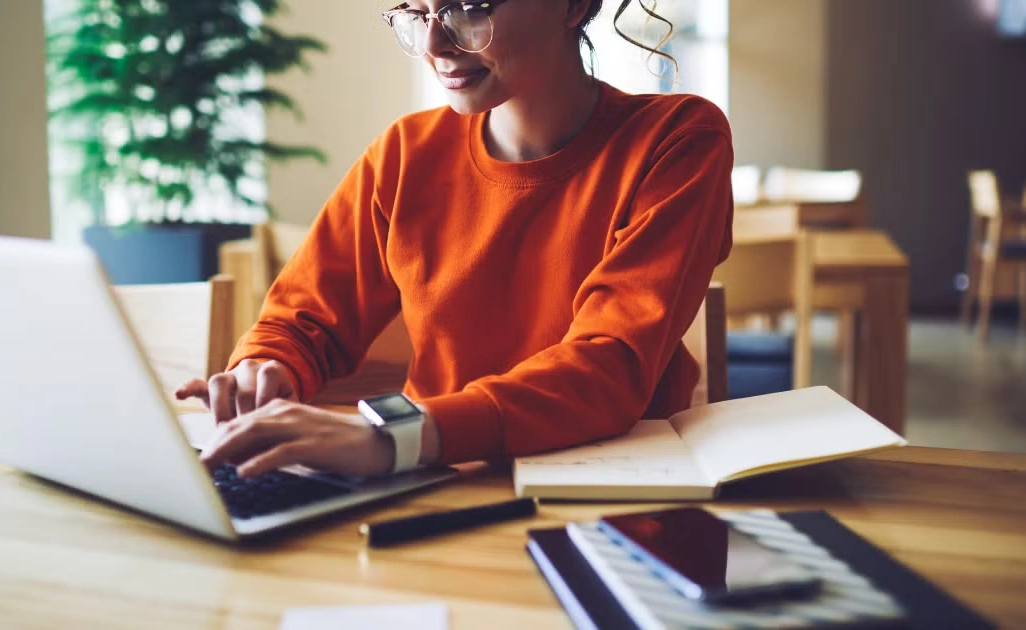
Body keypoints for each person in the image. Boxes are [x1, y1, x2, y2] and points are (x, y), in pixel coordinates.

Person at [178, 0, 734, 480]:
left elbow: (608, 367)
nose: (434, 44)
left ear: (574, 5)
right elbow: (300, 323)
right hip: (434, 478)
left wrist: (393, 437)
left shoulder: (678, 139)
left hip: (613, 489)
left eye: (470, 8)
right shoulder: (403, 154)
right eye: (417, 14)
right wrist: (264, 369)